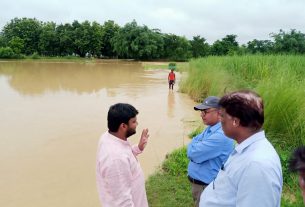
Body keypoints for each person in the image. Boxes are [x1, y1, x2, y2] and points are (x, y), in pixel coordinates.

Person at [200, 90, 283, 207]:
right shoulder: (245, 148)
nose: (220, 120)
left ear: (235, 121)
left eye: (222, 115)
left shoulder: (257, 165)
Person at [96, 103, 149, 207]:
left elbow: (126, 154)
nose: (137, 124)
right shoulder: (115, 159)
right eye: (134, 121)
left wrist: (138, 148)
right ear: (123, 126)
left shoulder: (109, 136)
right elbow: (122, 203)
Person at [187, 96, 234, 207]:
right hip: (201, 186)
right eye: (201, 111)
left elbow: (192, 153)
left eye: (205, 111)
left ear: (219, 113)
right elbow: (194, 142)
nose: (201, 114)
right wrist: (194, 144)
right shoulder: (211, 128)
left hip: (207, 187)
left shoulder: (221, 135)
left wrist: (193, 145)